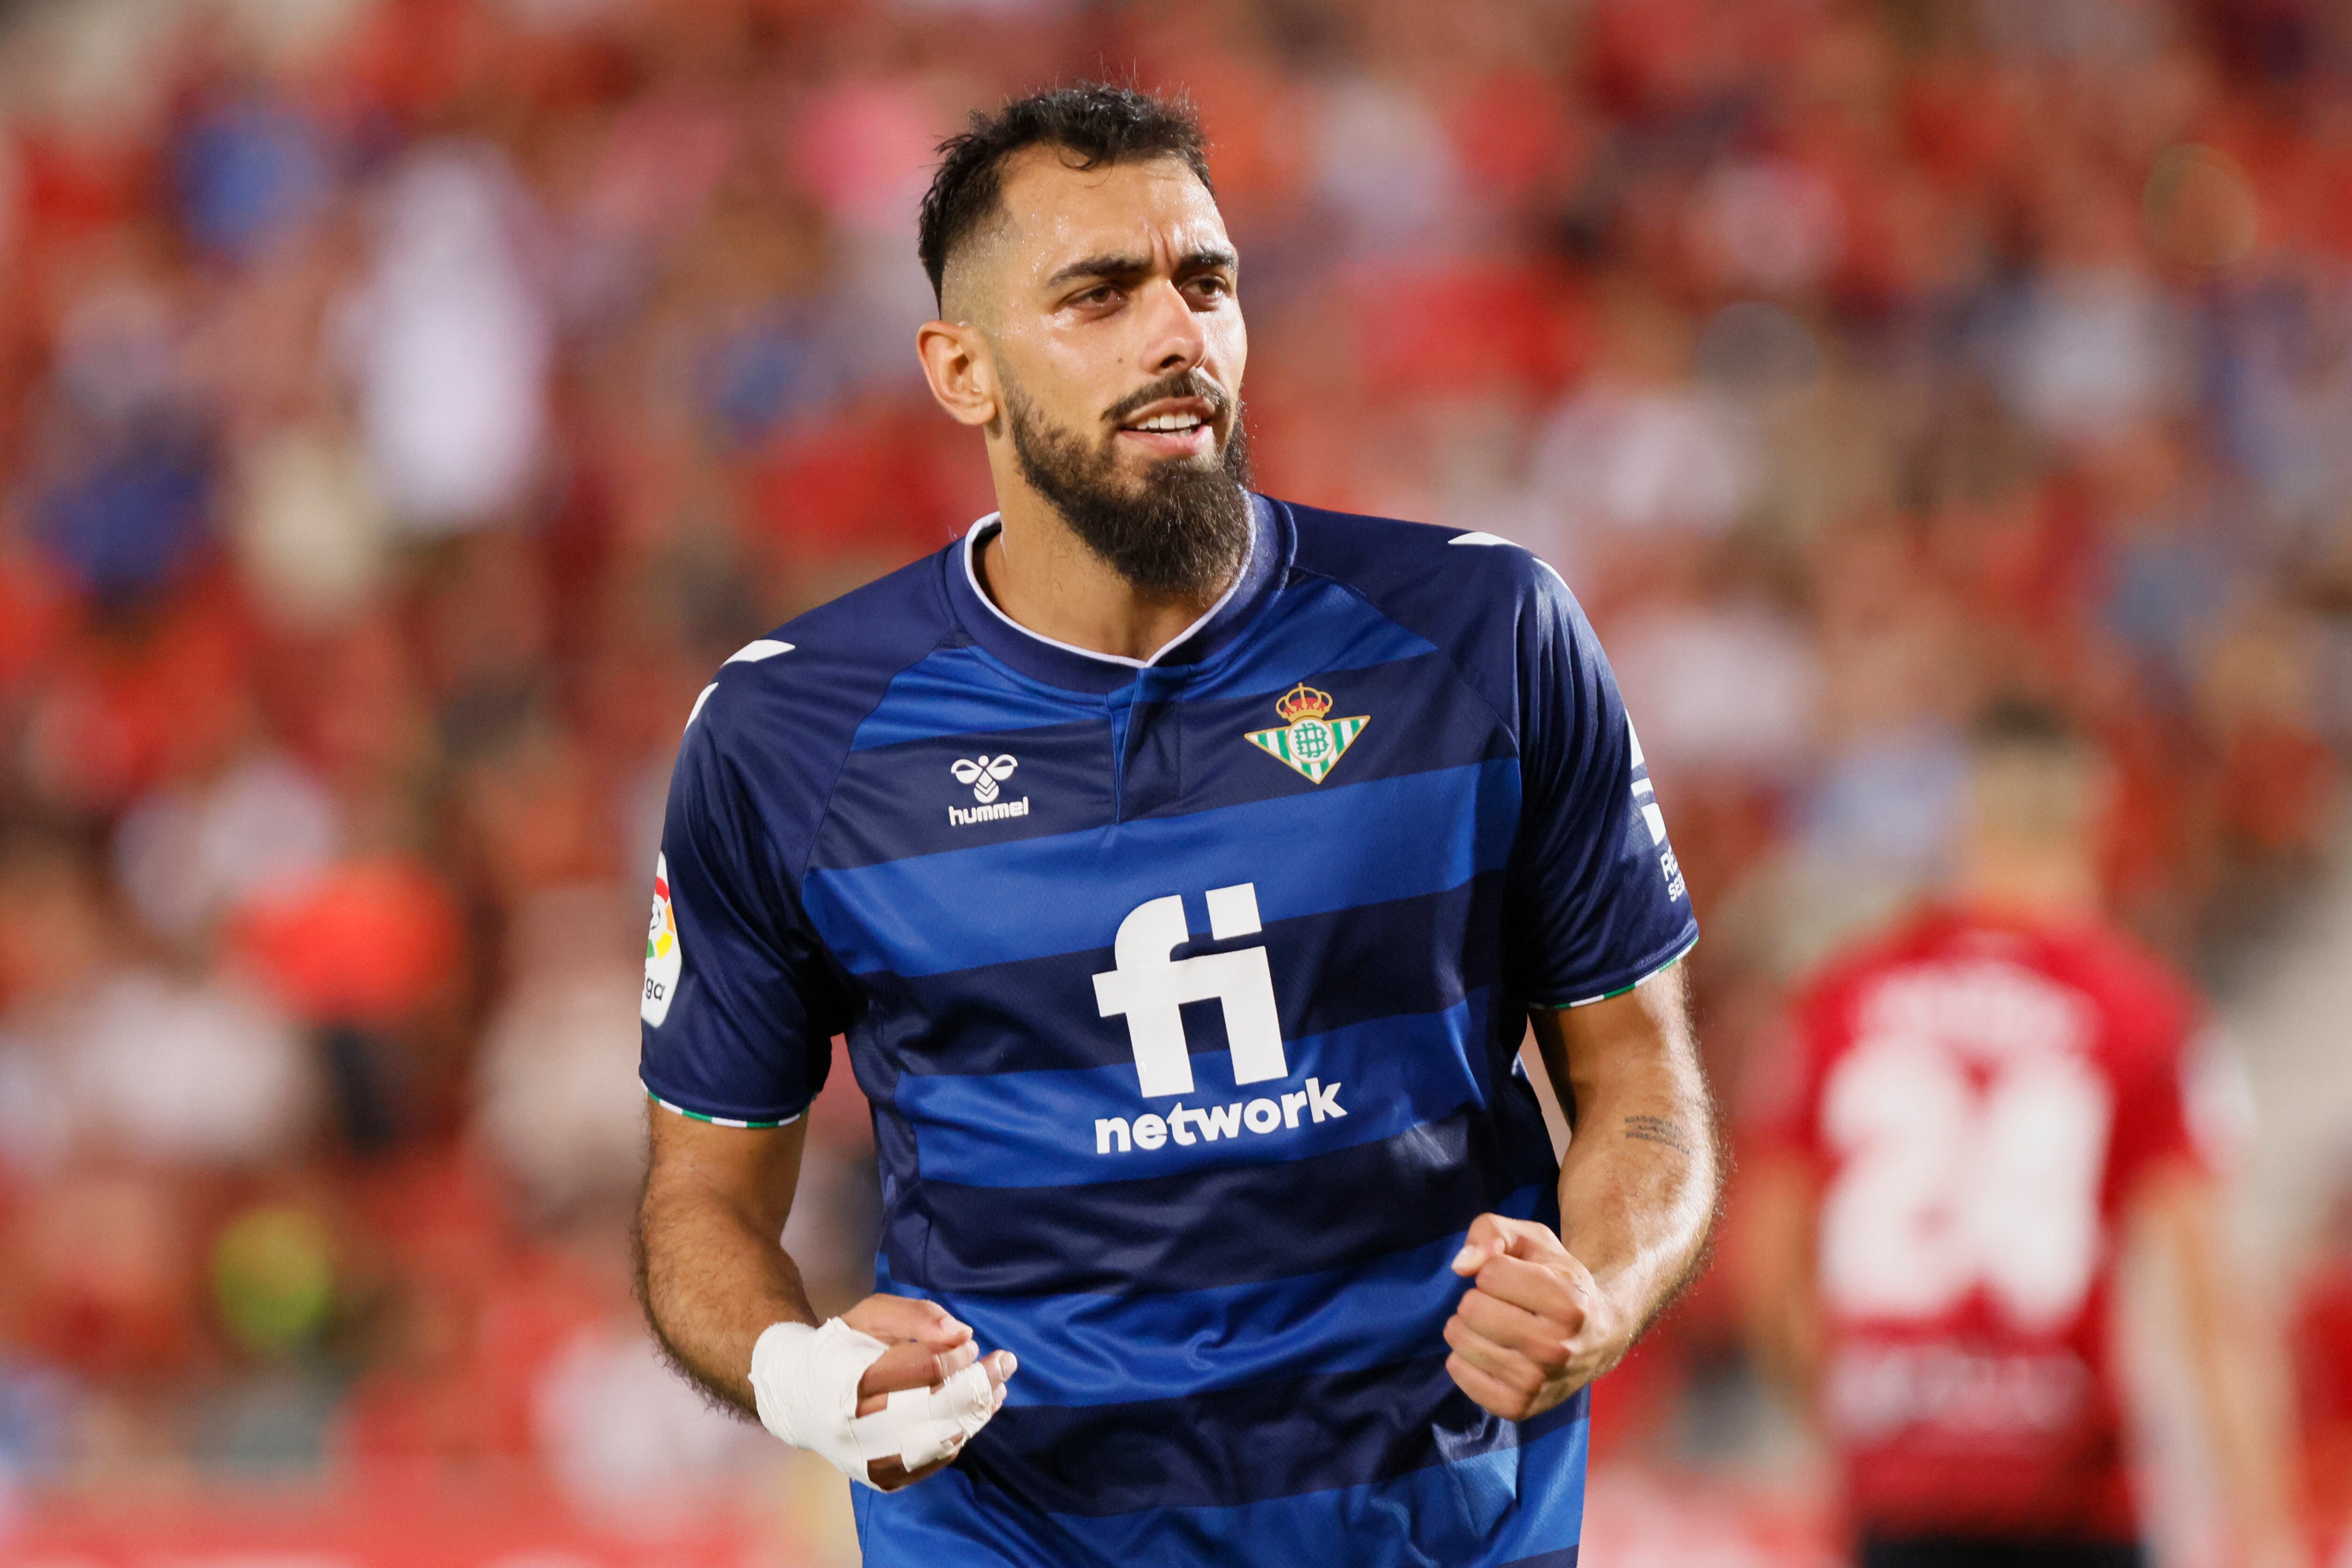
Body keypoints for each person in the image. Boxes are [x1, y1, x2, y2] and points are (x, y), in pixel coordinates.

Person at [634, 82, 1719, 1566]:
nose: (1176, 333)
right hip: (1014, 1529)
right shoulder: (787, 736)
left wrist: (1596, 1287)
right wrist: (799, 1370)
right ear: (964, 371)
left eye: (1205, 280)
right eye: (1098, 293)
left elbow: (1645, 1082)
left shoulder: (1485, 634)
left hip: (1433, 1526)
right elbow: (701, 1190)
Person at [1740, 700, 2309, 1568]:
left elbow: (1767, 1260)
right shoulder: (2144, 1015)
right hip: (2072, 1492)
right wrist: (2265, 1527)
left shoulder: (1841, 1002)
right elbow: (2211, 1301)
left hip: (1901, 1485)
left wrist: (1846, 1420)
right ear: (2096, 816)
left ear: (1962, 815)